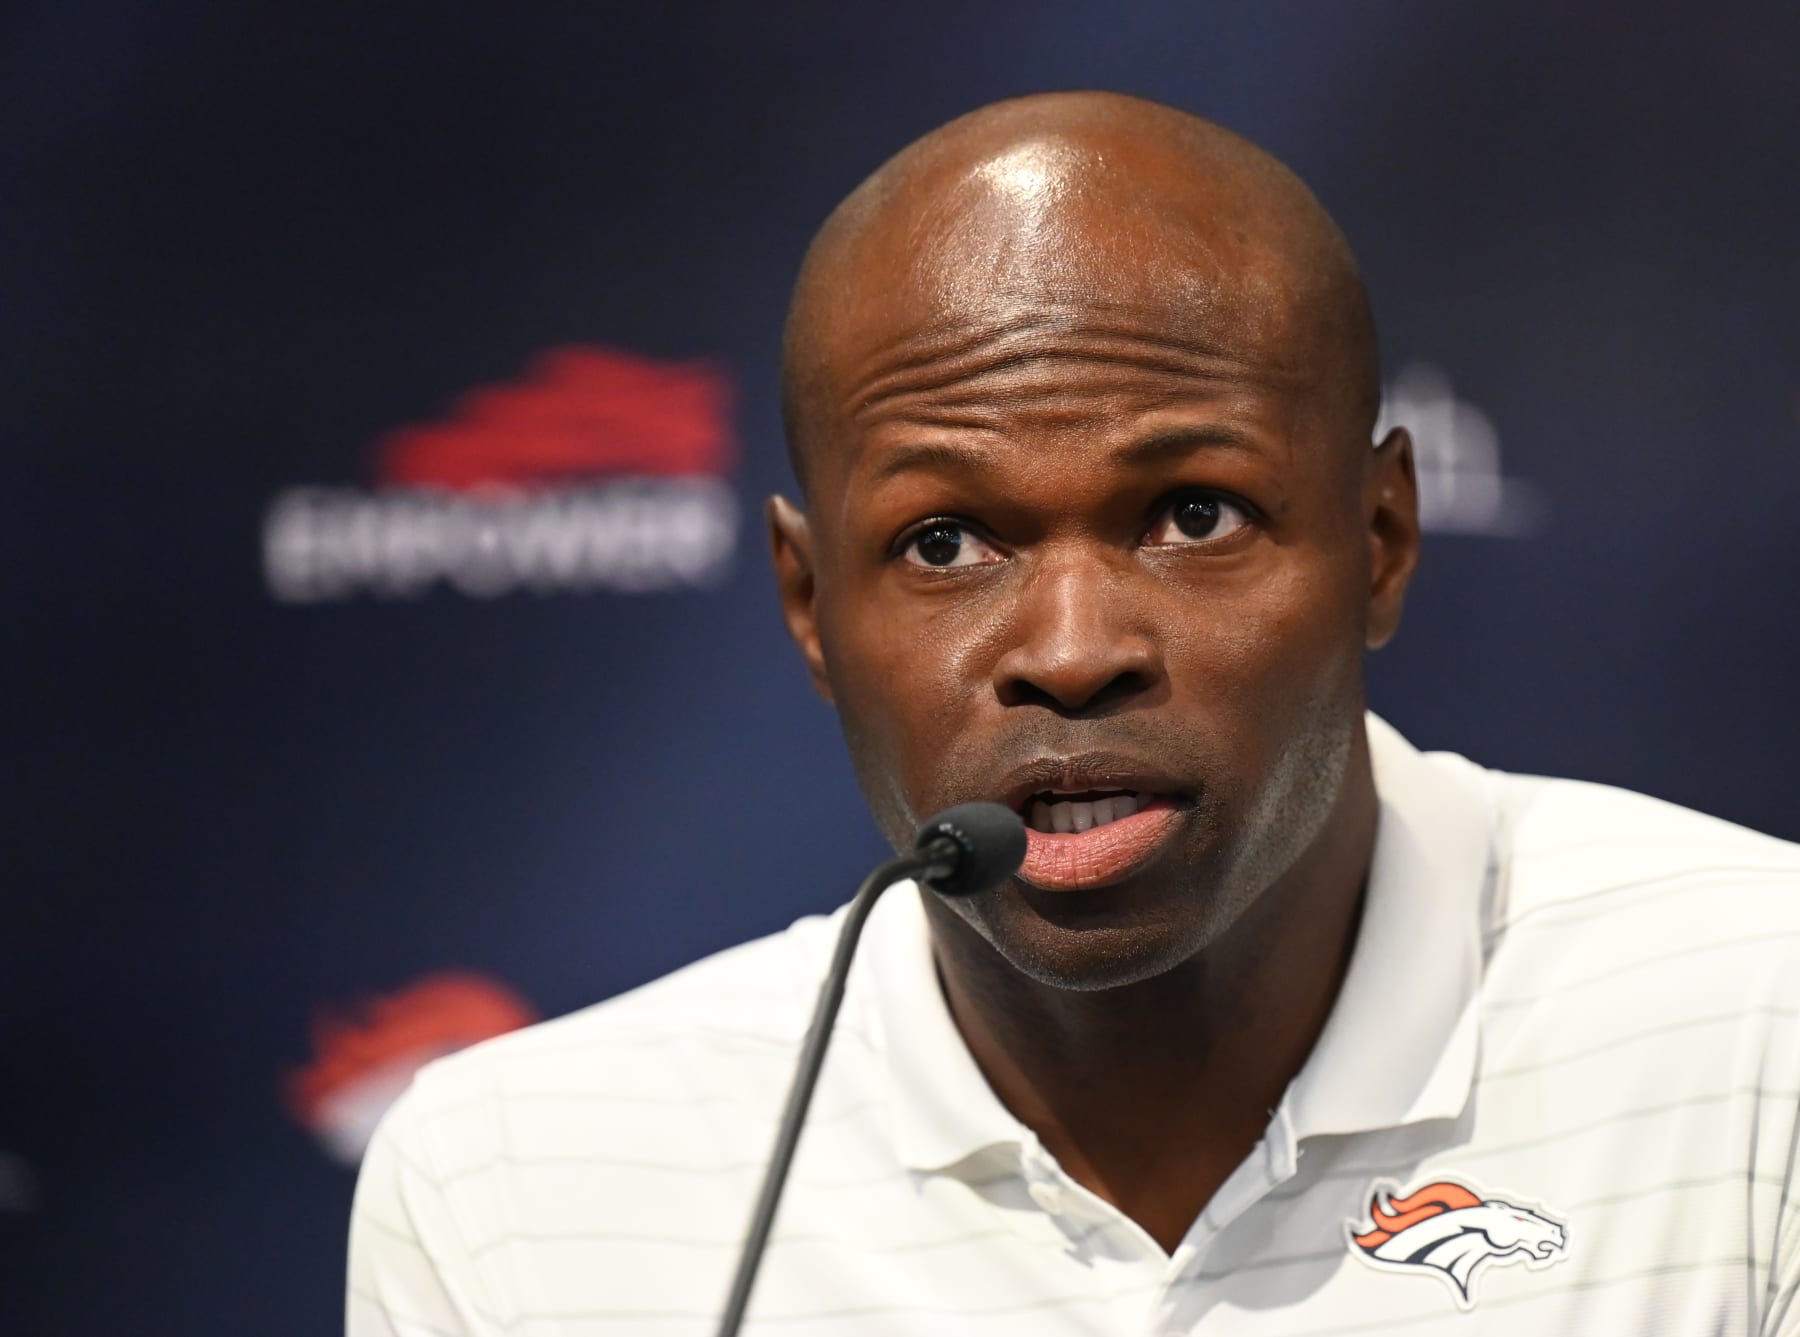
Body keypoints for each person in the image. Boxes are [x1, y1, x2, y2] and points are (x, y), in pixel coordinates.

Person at [347, 92, 1800, 1335]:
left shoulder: (1759, 1021)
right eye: (945, 543)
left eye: (1192, 512)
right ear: (806, 605)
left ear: (1381, 540)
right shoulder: (519, 1191)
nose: (1072, 648)